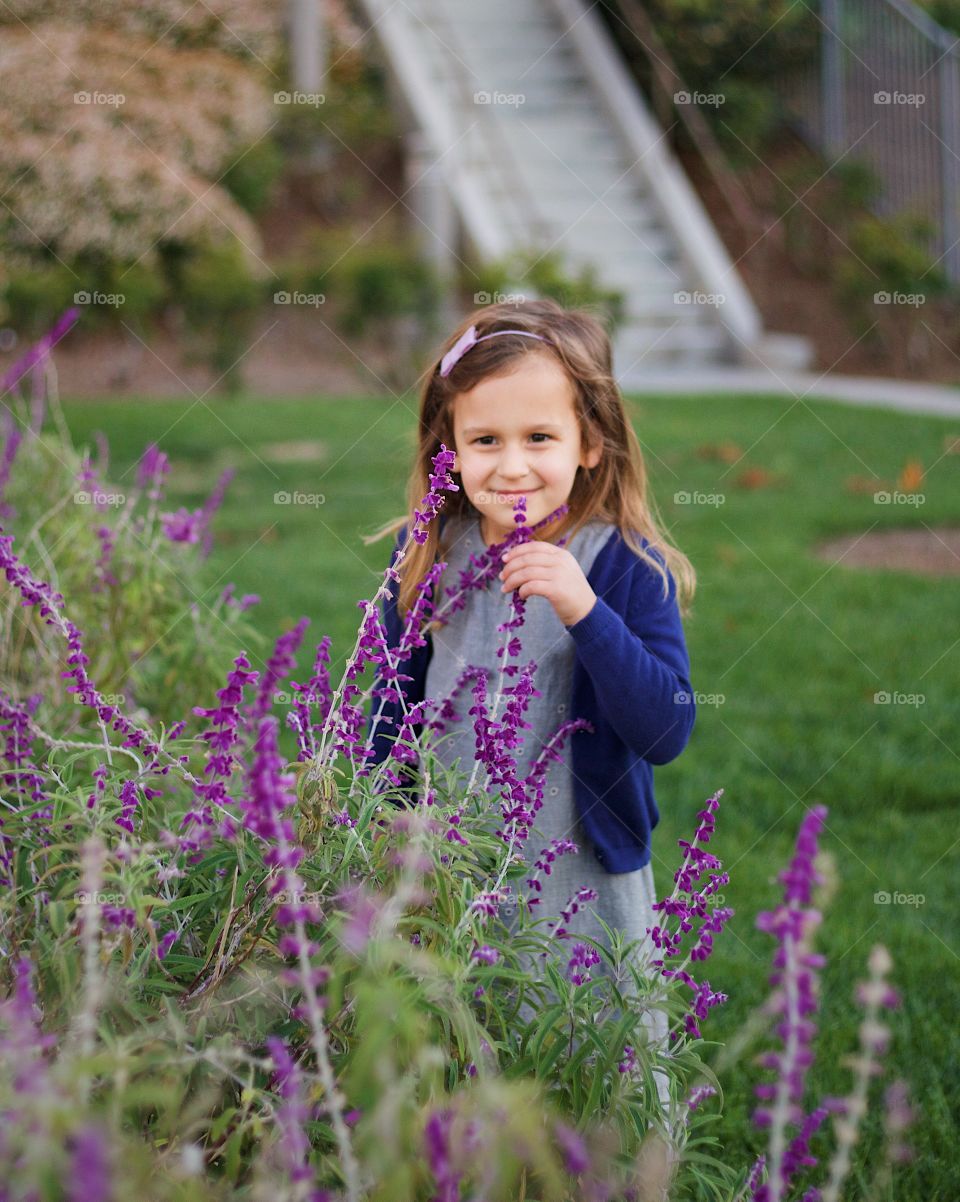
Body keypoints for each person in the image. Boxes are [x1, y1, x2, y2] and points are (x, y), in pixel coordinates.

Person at [362, 298, 697, 1139]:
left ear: (591, 443)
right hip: (448, 875)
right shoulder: (429, 557)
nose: (512, 467)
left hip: (578, 878)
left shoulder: (622, 567)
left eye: (539, 438)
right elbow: (388, 711)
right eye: (485, 441)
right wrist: (371, 831)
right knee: (457, 1068)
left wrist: (587, 613)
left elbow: (665, 728)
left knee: (589, 1077)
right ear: (450, 450)